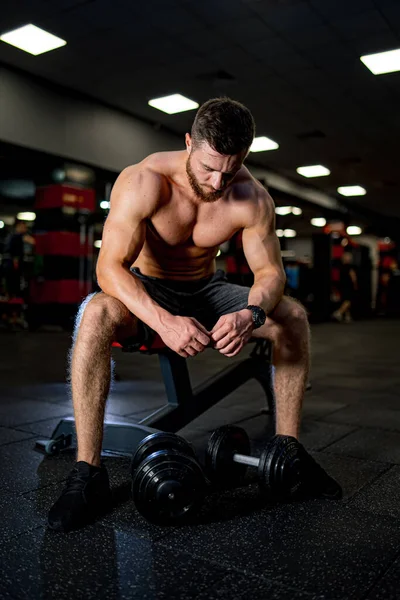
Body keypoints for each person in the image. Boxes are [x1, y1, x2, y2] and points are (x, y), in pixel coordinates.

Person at [48, 98, 341, 532]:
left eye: (231, 168)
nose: (218, 180)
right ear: (189, 142)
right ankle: (87, 472)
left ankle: (289, 452)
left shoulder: (252, 197)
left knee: (292, 316)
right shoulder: (143, 181)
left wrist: (252, 314)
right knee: (94, 312)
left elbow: (270, 273)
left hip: (207, 288)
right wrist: (164, 320)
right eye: (208, 167)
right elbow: (108, 268)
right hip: (149, 287)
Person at [332, 252, 358, 323]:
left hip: (342, 286)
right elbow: (353, 277)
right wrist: (355, 285)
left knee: (345, 300)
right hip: (349, 286)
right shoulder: (349, 267)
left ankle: (347, 316)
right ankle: (339, 312)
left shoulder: (340, 267)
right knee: (349, 301)